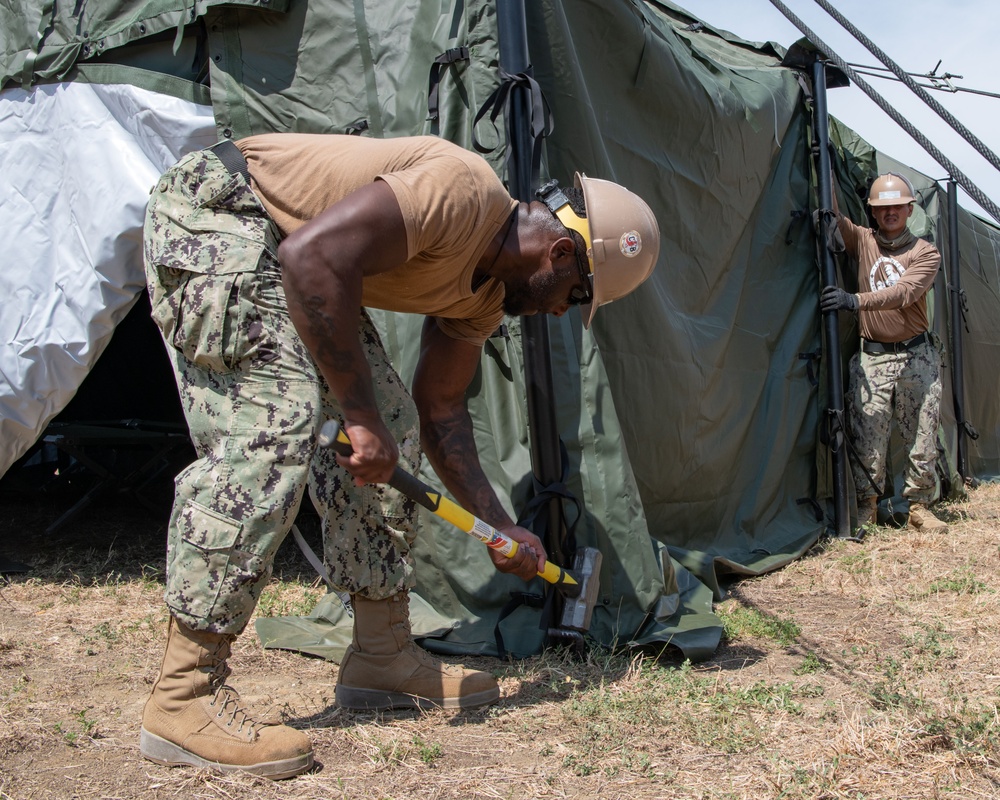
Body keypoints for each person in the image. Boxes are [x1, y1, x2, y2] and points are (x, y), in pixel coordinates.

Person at [139, 132, 660, 778]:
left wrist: (499, 525)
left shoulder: (485, 298)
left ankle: (379, 654)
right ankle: (184, 692)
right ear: (559, 252)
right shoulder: (463, 193)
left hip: (290, 254)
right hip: (221, 213)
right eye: (575, 297)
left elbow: (441, 412)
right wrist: (355, 419)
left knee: (392, 419)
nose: (559, 313)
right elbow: (312, 257)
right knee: (276, 421)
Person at [820, 172, 947, 534]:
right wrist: (827, 166)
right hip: (873, 357)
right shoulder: (862, 240)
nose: (889, 213)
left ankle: (920, 505)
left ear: (909, 210)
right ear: (873, 213)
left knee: (922, 432)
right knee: (867, 433)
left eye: (896, 207)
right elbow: (833, 216)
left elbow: (905, 292)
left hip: (916, 355)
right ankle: (867, 505)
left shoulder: (925, 252)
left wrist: (855, 300)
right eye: (881, 208)